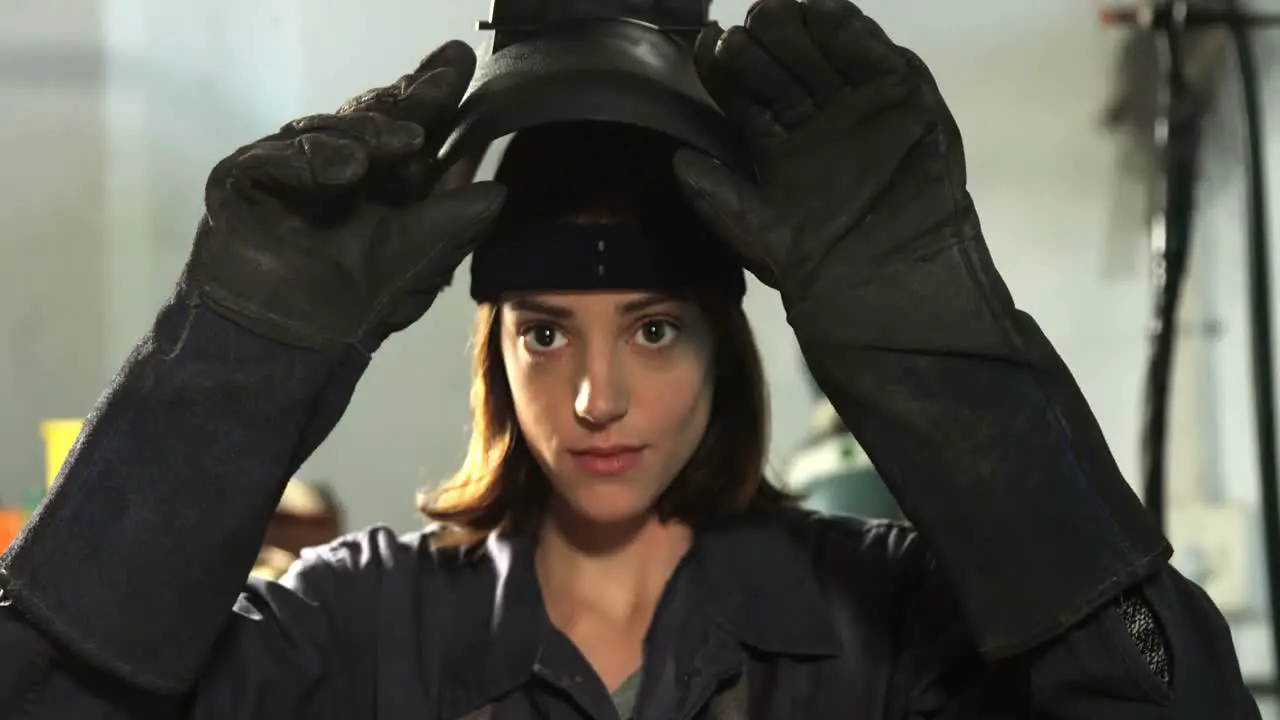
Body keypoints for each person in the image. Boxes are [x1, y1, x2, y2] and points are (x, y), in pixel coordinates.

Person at [0, 0, 1260, 717]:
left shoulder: (887, 624)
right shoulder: (356, 623)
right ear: (493, 347)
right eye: (544, 333)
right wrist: (232, 370)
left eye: (653, 328)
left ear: (726, 339)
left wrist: (941, 354)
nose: (595, 399)